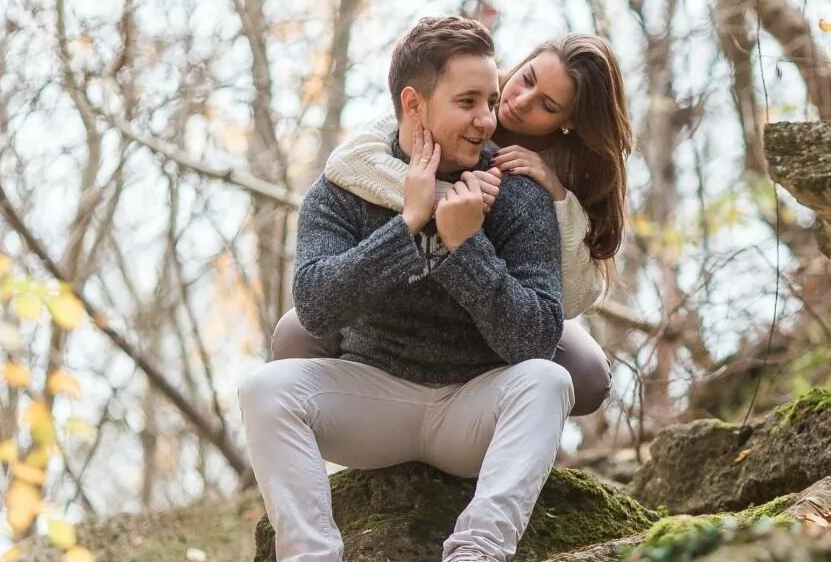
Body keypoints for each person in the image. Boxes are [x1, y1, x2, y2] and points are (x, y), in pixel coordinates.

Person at [239, 15, 572, 562]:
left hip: (473, 409)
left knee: (549, 380)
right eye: (467, 102)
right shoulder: (344, 187)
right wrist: (411, 227)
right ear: (413, 105)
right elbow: (315, 305)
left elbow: (536, 336)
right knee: (265, 389)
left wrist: (462, 246)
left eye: (491, 101)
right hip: (375, 400)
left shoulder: (517, 192)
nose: (487, 120)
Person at [270, 33, 632, 417]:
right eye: (527, 79)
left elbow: (572, 298)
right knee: (296, 332)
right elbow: (349, 165)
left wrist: (558, 199)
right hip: (407, 296)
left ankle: (500, 424)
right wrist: (449, 196)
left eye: (547, 104)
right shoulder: (457, 96)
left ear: (569, 123)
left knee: (588, 373)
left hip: (503, 302)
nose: (520, 101)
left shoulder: (564, 177)